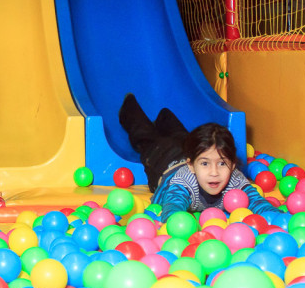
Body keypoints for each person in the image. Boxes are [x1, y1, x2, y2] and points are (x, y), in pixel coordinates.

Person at [119, 93, 280, 221]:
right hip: (163, 163)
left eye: (222, 164)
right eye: (205, 164)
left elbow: (256, 201)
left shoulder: (235, 181)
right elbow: (172, 206)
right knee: (147, 138)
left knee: (184, 137)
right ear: (191, 165)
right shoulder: (183, 183)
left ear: (232, 165)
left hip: (191, 153)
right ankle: (129, 109)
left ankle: (165, 117)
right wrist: (175, 222)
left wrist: (278, 217)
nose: (214, 172)